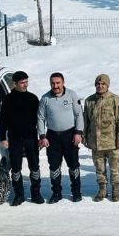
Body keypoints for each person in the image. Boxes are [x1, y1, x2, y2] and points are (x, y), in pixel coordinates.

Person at [37, 72, 84, 203]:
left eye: (58, 83)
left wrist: (78, 132)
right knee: (54, 166)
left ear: (63, 82)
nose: (55, 85)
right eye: (53, 83)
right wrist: (42, 136)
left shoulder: (71, 95)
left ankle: (76, 192)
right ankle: (56, 193)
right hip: (52, 136)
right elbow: (40, 118)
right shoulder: (45, 98)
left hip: (70, 135)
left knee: (73, 165)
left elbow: (79, 114)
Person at [0, 70, 42, 205]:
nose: (25, 85)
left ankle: (36, 193)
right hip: (15, 138)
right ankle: (19, 195)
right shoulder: (8, 99)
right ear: (15, 83)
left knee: (34, 166)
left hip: (31, 137)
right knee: (16, 167)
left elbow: (40, 119)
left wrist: (41, 136)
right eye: (22, 82)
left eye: (26, 82)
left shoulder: (33, 98)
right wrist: (3, 138)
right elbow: (3, 120)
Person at [83, 74, 119, 202]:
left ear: (107, 85)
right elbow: (86, 121)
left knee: (115, 169)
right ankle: (102, 190)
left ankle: (116, 191)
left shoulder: (114, 99)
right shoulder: (89, 100)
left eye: (103, 84)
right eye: (98, 84)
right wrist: (85, 137)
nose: (100, 86)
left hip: (112, 142)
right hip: (96, 143)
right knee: (99, 169)